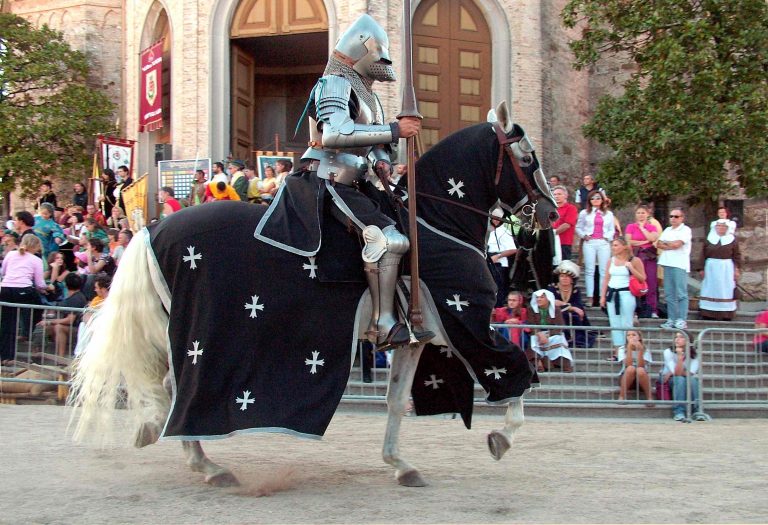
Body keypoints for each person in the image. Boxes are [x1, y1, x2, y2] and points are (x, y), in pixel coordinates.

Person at [254, 14, 430, 350]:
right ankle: (383, 326)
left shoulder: (370, 97)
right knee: (388, 240)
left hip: (356, 181)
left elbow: (372, 144)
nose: (385, 63)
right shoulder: (334, 83)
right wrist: (395, 130)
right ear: (362, 51)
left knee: (407, 229)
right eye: (380, 54)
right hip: (326, 178)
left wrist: (382, 160)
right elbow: (335, 133)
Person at [0, 235, 53, 363]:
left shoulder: (10, 254)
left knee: (7, 323)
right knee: (38, 307)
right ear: (35, 246)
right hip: (23, 289)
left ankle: (5, 356)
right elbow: (39, 283)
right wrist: (48, 287)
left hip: (6, 289)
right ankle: (28, 330)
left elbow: (4, 272)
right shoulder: (36, 260)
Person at [601, 238, 645, 360]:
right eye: (612, 245)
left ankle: (629, 350)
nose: (613, 248)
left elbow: (642, 278)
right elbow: (606, 278)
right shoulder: (611, 261)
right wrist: (603, 296)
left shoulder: (634, 260)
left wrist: (631, 268)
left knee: (627, 322)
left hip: (626, 293)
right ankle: (617, 351)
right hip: (612, 293)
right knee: (614, 323)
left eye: (616, 245)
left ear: (624, 246)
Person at [575, 190, 615, 305]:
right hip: (590, 243)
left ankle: (602, 296)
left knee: (604, 270)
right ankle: (590, 297)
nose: (595, 200)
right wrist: (584, 236)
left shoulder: (608, 214)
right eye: (593, 198)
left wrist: (607, 237)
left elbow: (612, 229)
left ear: (602, 200)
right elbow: (578, 227)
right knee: (589, 270)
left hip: (603, 242)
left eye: (598, 198)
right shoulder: (584, 213)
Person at [698, 219, 741, 321]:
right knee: (710, 289)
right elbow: (703, 254)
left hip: (726, 268)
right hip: (711, 268)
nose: (721, 228)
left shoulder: (732, 240)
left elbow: (737, 255)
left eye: (723, 226)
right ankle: (708, 313)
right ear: (715, 227)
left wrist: (736, 269)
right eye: (719, 226)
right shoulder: (709, 239)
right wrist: (701, 268)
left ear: (727, 228)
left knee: (725, 290)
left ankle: (726, 314)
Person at [657, 207, 692, 330]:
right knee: (669, 294)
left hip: (679, 264)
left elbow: (678, 245)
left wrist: (668, 244)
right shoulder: (667, 229)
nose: (673, 219)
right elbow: (659, 243)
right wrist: (670, 244)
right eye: (671, 216)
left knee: (681, 293)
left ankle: (682, 318)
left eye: (676, 216)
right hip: (667, 263)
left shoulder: (686, 230)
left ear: (682, 218)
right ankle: (671, 318)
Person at [548, 260, 594, 348]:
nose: (564, 278)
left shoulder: (575, 290)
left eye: (567, 277)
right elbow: (553, 302)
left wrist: (570, 307)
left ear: (572, 279)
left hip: (571, 314)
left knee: (575, 316)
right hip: (555, 313)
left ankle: (576, 339)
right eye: (562, 276)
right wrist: (571, 307)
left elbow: (578, 305)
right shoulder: (552, 288)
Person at [624, 204, 660, 318]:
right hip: (636, 255)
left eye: (643, 213)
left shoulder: (652, 227)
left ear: (647, 214)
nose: (640, 215)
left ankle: (652, 309)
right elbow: (629, 241)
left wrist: (642, 228)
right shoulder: (630, 226)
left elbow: (652, 238)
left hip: (648, 256)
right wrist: (643, 242)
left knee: (651, 282)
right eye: (638, 213)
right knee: (634, 281)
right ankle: (635, 308)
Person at [660, 332, 706, 421]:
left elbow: (691, 373)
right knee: (680, 379)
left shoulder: (695, 354)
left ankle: (697, 410)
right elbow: (677, 373)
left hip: (685, 378)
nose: (677, 339)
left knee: (692, 380)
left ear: (688, 341)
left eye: (681, 337)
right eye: (676, 337)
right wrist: (680, 357)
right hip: (668, 379)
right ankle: (679, 411)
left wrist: (674, 372)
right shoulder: (668, 352)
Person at [528, 289, 574, 372]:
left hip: (552, 333)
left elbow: (560, 326)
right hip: (537, 334)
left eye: (542, 297)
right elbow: (532, 324)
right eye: (537, 297)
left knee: (559, 339)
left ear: (548, 298)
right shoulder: (531, 309)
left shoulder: (555, 309)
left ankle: (564, 364)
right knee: (533, 341)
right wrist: (539, 334)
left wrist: (547, 335)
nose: (539, 299)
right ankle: (538, 362)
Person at [487, 208, 517, 307]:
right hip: (488, 261)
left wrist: (498, 256)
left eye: (498, 218)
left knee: (498, 289)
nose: (496, 220)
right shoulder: (488, 230)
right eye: (494, 218)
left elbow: (513, 249)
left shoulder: (504, 231)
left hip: (499, 264)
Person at [617, 330, 653, 405]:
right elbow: (627, 364)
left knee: (640, 370)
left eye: (633, 335)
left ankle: (649, 398)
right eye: (628, 335)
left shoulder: (646, 349)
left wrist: (640, 350)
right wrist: (629, 348)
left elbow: (641, 365)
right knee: (631, 368)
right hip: (626, 377)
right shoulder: (622, 349)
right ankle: (622, 397)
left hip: (641, 378)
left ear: (639, 337)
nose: (631, 337)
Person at [551, 186, 578, 261]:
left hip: (564, 242)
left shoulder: (571, 208)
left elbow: (567, 225)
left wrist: (553, 232)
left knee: (564, 266)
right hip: (551, 242)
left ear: (566, 195)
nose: (556, 196)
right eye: (555, 194)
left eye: (559, 194)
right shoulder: (551, 209)